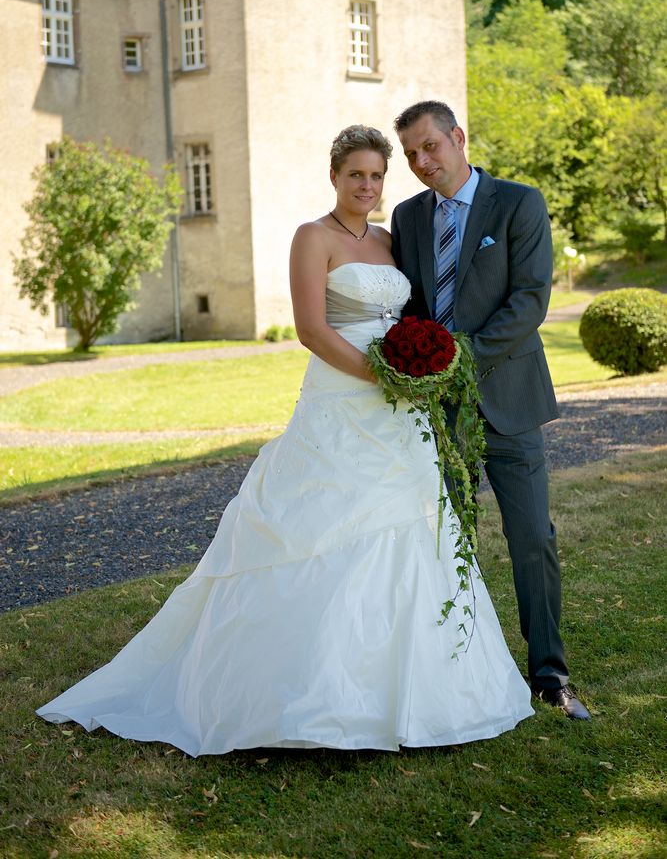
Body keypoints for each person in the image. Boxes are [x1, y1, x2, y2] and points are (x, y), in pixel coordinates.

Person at [36, 125, 534, 756]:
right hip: (342, 398)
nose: (368, 185)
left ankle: (422, 688)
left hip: (400, 409)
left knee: (412, 527)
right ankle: (304, 697)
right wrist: (386, 376)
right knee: (318, 526)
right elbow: (311, 329)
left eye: (378, 175)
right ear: (334, 176)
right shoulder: (312, 237)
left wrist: (417, 370)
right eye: (356, 174)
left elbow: (410, 316)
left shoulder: (388, 240)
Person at [391, 100, 591, 720]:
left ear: (458, 137)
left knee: (533, 538)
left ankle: (551, 675)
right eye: (411, 154)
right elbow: (410, 304)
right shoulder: (405, 217)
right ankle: (463, 668)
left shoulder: (518, 203)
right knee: (452, 539)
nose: (423, 162)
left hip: (510, 399)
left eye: (431, 147)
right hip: (439, 410)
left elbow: (530, 299)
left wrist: (457, 356)